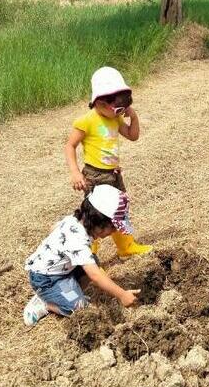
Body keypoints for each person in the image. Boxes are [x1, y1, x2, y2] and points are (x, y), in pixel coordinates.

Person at [65, 66, 152, 258]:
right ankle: (90, 256)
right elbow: (70, 146)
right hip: (95, 175)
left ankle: (126, 247)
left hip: (113, 173)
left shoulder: (115, 118)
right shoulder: (86, 121)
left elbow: (132, 135)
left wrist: (134, 116)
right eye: (119, 108)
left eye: (124, 108)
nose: (122, 112)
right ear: (101, 103)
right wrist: (75, 172)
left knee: (119, 209)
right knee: (97, 216)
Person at [23, 184, 141, 326]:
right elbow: (95, 276)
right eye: (113, 227)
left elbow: (53, 228)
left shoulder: (75, 220)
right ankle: (45, 304)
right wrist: (122, 295)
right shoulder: (77, 240)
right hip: (47, 280)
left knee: (93, 261)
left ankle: (66, 293)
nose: (114, 232)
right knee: (79, 308)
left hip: (62, 271)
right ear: (99, 221)